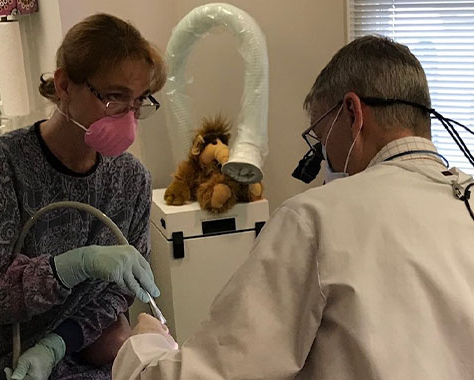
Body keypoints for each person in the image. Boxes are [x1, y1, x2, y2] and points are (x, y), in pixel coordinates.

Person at [112, 35, 474, 379]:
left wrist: (144, 345)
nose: (322, 158)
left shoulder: (313, 219)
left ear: (352, 112)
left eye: (320, 138)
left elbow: (212, 373)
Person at [0, 13, 166, 380]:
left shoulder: (130, 180)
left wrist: (58, 343)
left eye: (138, 101)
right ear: (64, 85)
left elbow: (115, 295)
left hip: (77, 353)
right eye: (113, 97)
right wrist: (65, 269)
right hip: (1, 365)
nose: (128, 118)